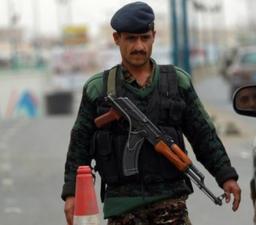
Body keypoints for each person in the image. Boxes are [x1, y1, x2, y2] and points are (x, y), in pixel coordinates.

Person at [61, 2, 241, 225]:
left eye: (145, 38)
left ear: (154, 36)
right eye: (131, 39)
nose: (139, 46)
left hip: (170, 202)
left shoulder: (177, 82)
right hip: (121, 205)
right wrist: (71, 193)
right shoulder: (98, 88)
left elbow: (203, 135)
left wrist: (226, 175)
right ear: (116, 38)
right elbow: (79, 145)